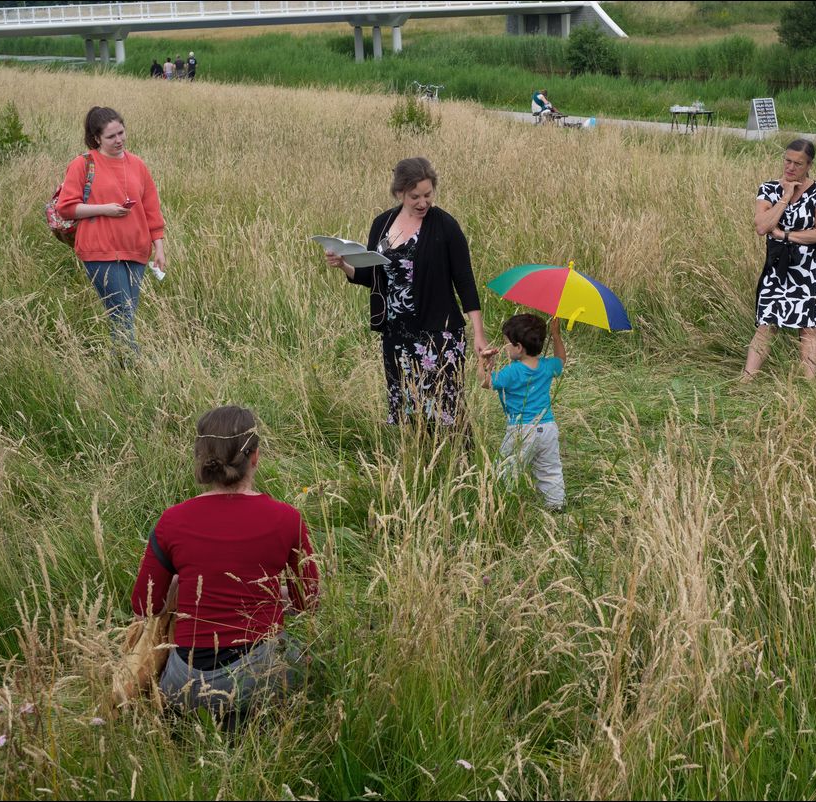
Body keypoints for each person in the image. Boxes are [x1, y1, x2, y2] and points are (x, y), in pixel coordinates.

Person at [131, 405, 320, 722]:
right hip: (259, 676)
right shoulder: (287, 518)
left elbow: (143, 605)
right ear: (255, 456)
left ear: (201, 458)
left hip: (185, 684)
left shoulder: (171, 521)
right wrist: (271, 596)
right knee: (309, 657)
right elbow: (309, 600)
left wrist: (180, 587)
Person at [324, 157, 489, 430]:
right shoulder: (382, 224)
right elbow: (371, 276)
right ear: (400, 192)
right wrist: (344, 265)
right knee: (407, 407)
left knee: (446, 406)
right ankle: (417, 463)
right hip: (396, 334)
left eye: (428, 194)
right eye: (415, 196)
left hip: (439, 333)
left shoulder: (446, 226)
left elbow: (465, 281)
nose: (423, 202)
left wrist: (478, 333)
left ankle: (458, 463)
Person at [55, 106, 166, 362]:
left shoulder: (137, 165)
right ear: (96, 138)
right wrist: (105, 209)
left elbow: (152, 208)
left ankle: (120, 371)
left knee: (125, 315)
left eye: (121, 133)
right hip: (100, 251)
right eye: (111, 137)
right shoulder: (83, 164)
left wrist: (158, 247)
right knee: (122, 314)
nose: (119, 140)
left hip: (137, 250)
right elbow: (66, 207)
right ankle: (134, 370)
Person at [743, 138, 816, 381]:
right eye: (788, 161)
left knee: (809, 327)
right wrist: (785, 197)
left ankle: (809, 383)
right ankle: (746, 379)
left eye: (798, 164)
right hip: (778, 266)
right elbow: (762, 226)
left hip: (812, 267)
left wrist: (784, 234)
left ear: (809, 165)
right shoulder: (769, 189)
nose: (791, 167)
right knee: (766, 324)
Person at [477, 314, 566, 510]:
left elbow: (486, 383)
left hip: (521, 430)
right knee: (550, 468)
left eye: (507, 343)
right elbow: (561, 359)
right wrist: (556, 335)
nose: (505, 346)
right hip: (548, 427)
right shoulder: (547, 366)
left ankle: (500, 503)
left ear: (518, 348)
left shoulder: (512, 372)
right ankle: (556, 504)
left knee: (506, 468)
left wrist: (483, 362)